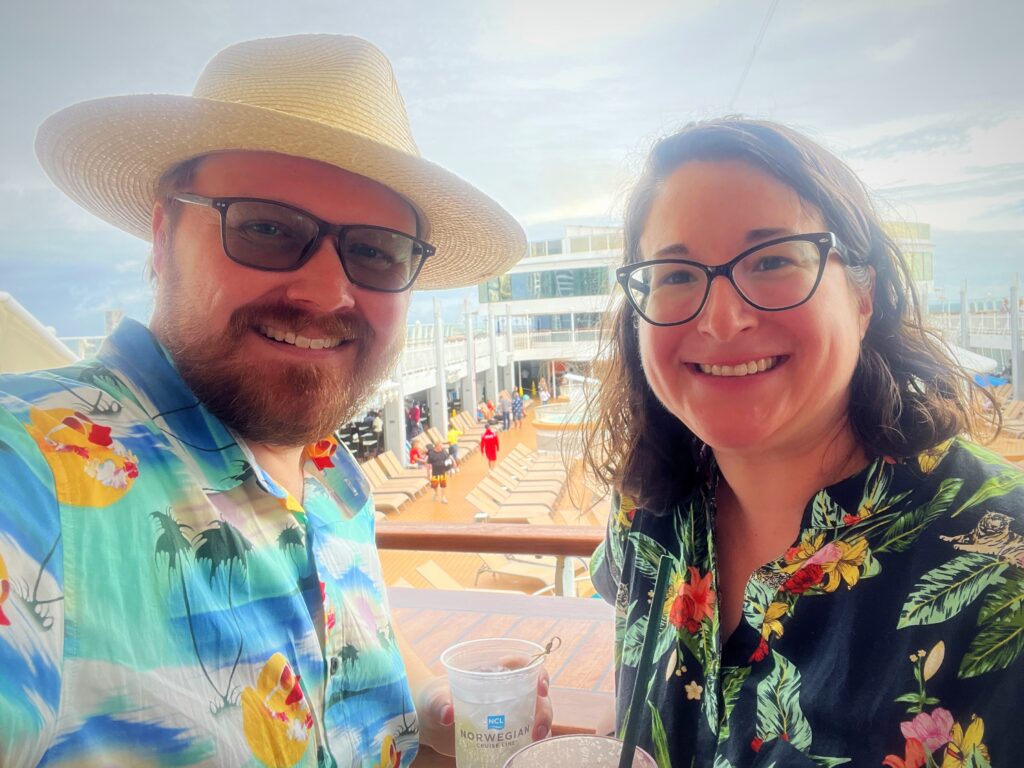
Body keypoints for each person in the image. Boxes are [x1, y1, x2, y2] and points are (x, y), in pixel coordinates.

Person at [0, 35, 551, 766]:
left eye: (378, 250)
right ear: (164, 235)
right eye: (264, 227)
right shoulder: (32, 471)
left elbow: (340, 659)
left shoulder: (331, 479)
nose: (326, 292)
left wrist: (427, 713)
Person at [583, 117, 1023, 767]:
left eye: (772, 261)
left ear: (864, 291)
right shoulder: (646, 511)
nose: (722, 319)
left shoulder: (1003, 560)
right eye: (675, 275)